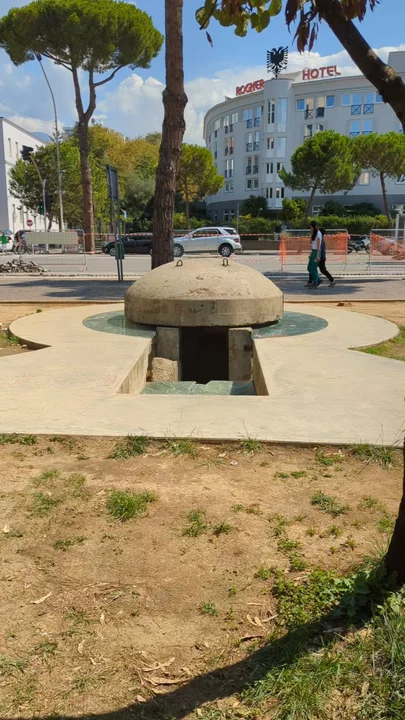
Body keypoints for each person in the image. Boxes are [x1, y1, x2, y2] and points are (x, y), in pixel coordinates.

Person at [307, 220, 321, 288]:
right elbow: (310, 242)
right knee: (309, 267)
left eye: (311, 227)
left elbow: (318, 246)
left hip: (317, 251)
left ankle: (316, 281)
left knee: (313, 268)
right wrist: (312, 233)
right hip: (313, 251)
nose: (310, 229)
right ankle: (317, 279)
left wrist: (317, 255)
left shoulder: (318, 234)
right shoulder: (314, 233)